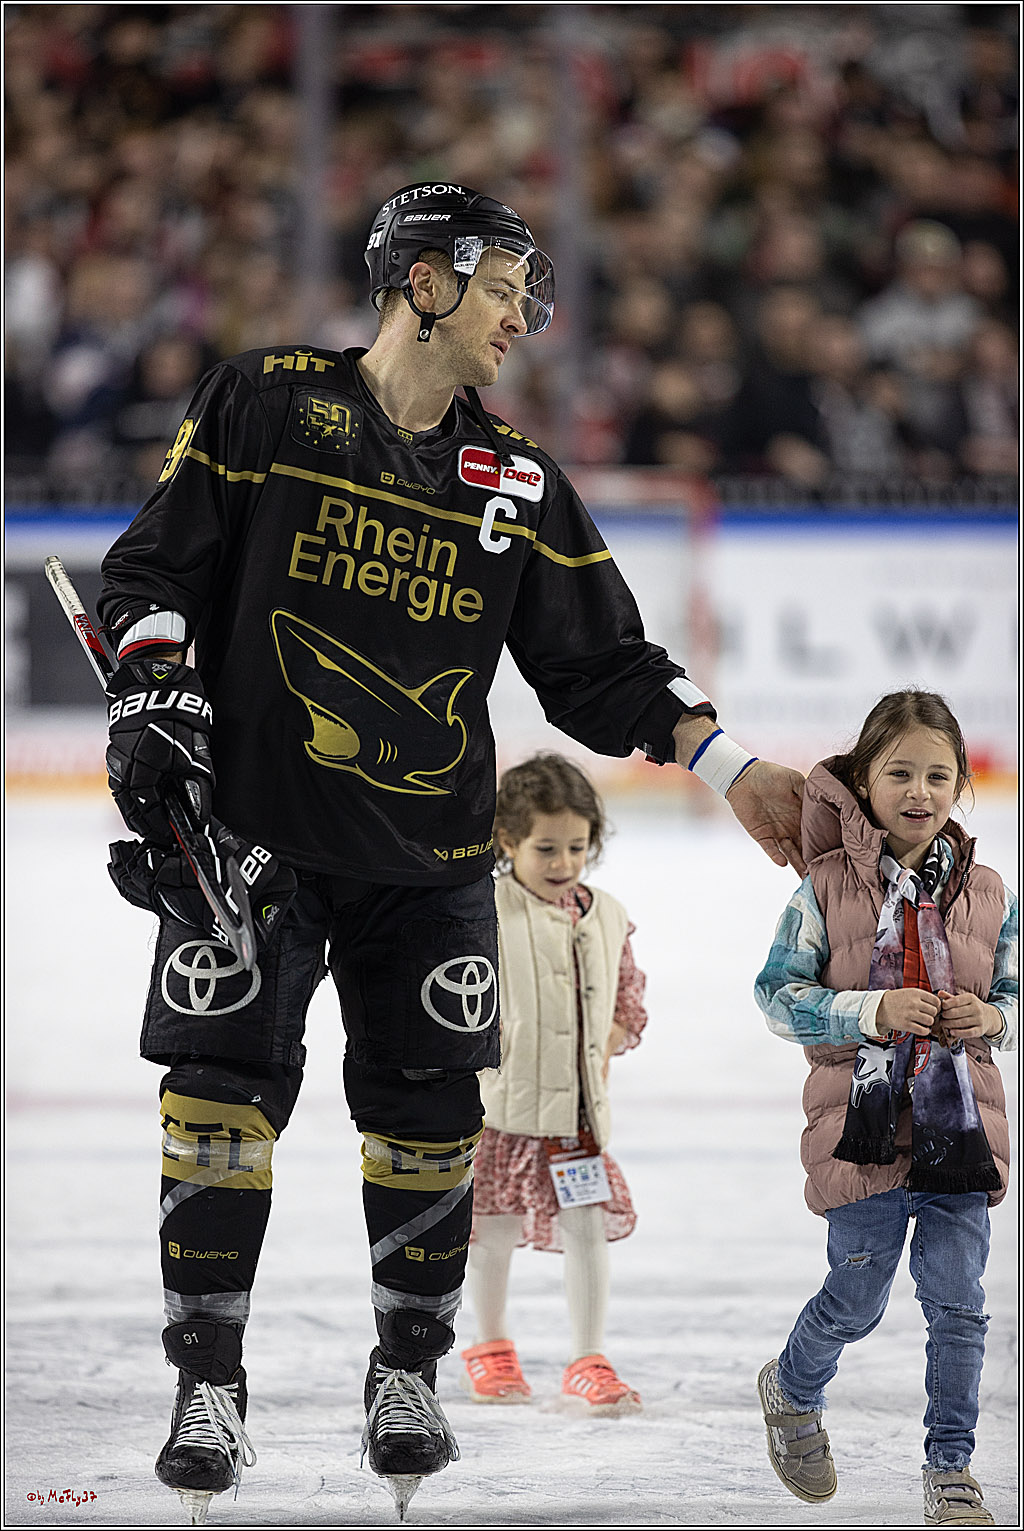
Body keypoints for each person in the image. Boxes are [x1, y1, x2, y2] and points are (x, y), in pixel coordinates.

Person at [96, 181, 805, 1522]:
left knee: (427, 1123)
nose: (521, 317)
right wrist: (154, 694)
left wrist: (729, 763)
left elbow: (597, 665)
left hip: (427, 859)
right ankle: (210, 1382)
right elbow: (153, 571)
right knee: (215, 1100)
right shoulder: (267, 401)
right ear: (421, 279)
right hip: (251, 844)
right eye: (500, 287)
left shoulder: (517, 478)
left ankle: (407, 1370)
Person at [752, 690, 1016, 1526]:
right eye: (899, 771)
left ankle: (951, 1465)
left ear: (960, 783)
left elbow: (1012, 988)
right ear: (864, 782)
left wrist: (995, 1015)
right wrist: (867, 1011)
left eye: (939, 774)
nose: (919, 790)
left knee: (958, 1302)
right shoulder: (824, 886)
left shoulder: (989, 891)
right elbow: (775, 996)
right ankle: (793, 1387)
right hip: (859, 1135)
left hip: (960, 1136)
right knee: (858, 1295)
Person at [461, 754, 645, 1415]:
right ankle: (489, 1345)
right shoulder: (482, 906)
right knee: (494, 1229)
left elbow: (627, 999)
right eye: (546, 847)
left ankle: (588, 1355)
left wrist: (611, 1038)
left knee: (586, 1227)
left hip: (578, 1118)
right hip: (502, 1111)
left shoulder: (607, 914)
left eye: (577, 845)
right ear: (507, 841)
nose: (565, 861)